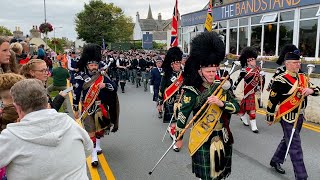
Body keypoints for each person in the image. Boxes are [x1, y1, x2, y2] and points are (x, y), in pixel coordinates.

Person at [174, 32, 240, 180]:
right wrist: (179, 137)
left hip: (222, 135)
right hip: (203, 136)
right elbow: (183, 116)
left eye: (214, 71)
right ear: (200, 71)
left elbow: (237, 107)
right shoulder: (192, 91)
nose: (212, 74)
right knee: (206, 177)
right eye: (208, 71)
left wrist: (221, 103)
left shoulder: (222, 86)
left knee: (220, 174)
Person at [0, 79, 93, 180]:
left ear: (17, 107)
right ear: (46, 101)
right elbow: (88, 150)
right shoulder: (70, 124)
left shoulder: (10, 136)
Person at [266, 49, 319, 180]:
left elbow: (317, 90)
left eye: (299, 63)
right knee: (295, 146)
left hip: (300, 115)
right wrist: (270, 116)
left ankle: (276, 160)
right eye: (295, 63)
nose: (298, 65)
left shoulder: (303, 77)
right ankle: (301, 176)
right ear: (287, 64)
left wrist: (310, 90)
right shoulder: (280, 79)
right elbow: (272, 99)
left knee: (287, 140)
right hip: (287, 116)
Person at [73, 43, 120, 167]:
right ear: (87, 65)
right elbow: (76, 92)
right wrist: (75, 107)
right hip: (88, 107)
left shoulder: (102, 76)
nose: (93, 67)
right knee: (90, 130)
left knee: (99, 130)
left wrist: (105, 85)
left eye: (95, 64)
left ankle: (97, 146)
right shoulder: (80, 77)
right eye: (91, 65)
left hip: (101, 107)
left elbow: (114, 88)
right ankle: (94, 155)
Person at [232, 47, 265, 133]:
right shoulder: (245, 70)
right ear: (248, 62)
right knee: (252, 108)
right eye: (251, 60)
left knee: (246, 106)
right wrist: (233, 87)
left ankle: (242, 115)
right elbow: (238, 80)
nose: (253, 62)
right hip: (248, 91)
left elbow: (261, 82)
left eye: (253, 60)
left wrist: (263, 76)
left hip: (254, 92)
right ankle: (253, 125)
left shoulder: (258, 69)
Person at [157, 47, 183, 149]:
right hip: (170, 100)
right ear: (172, 64)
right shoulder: (166, 74)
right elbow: (161, 87)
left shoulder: (182, 74)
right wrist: (160, 101)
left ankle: (173, 132)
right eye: (176, 63)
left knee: (179, 121)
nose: (178, 65)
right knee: (173, 122)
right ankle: (175, 142)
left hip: (180, 100)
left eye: (179, 63)